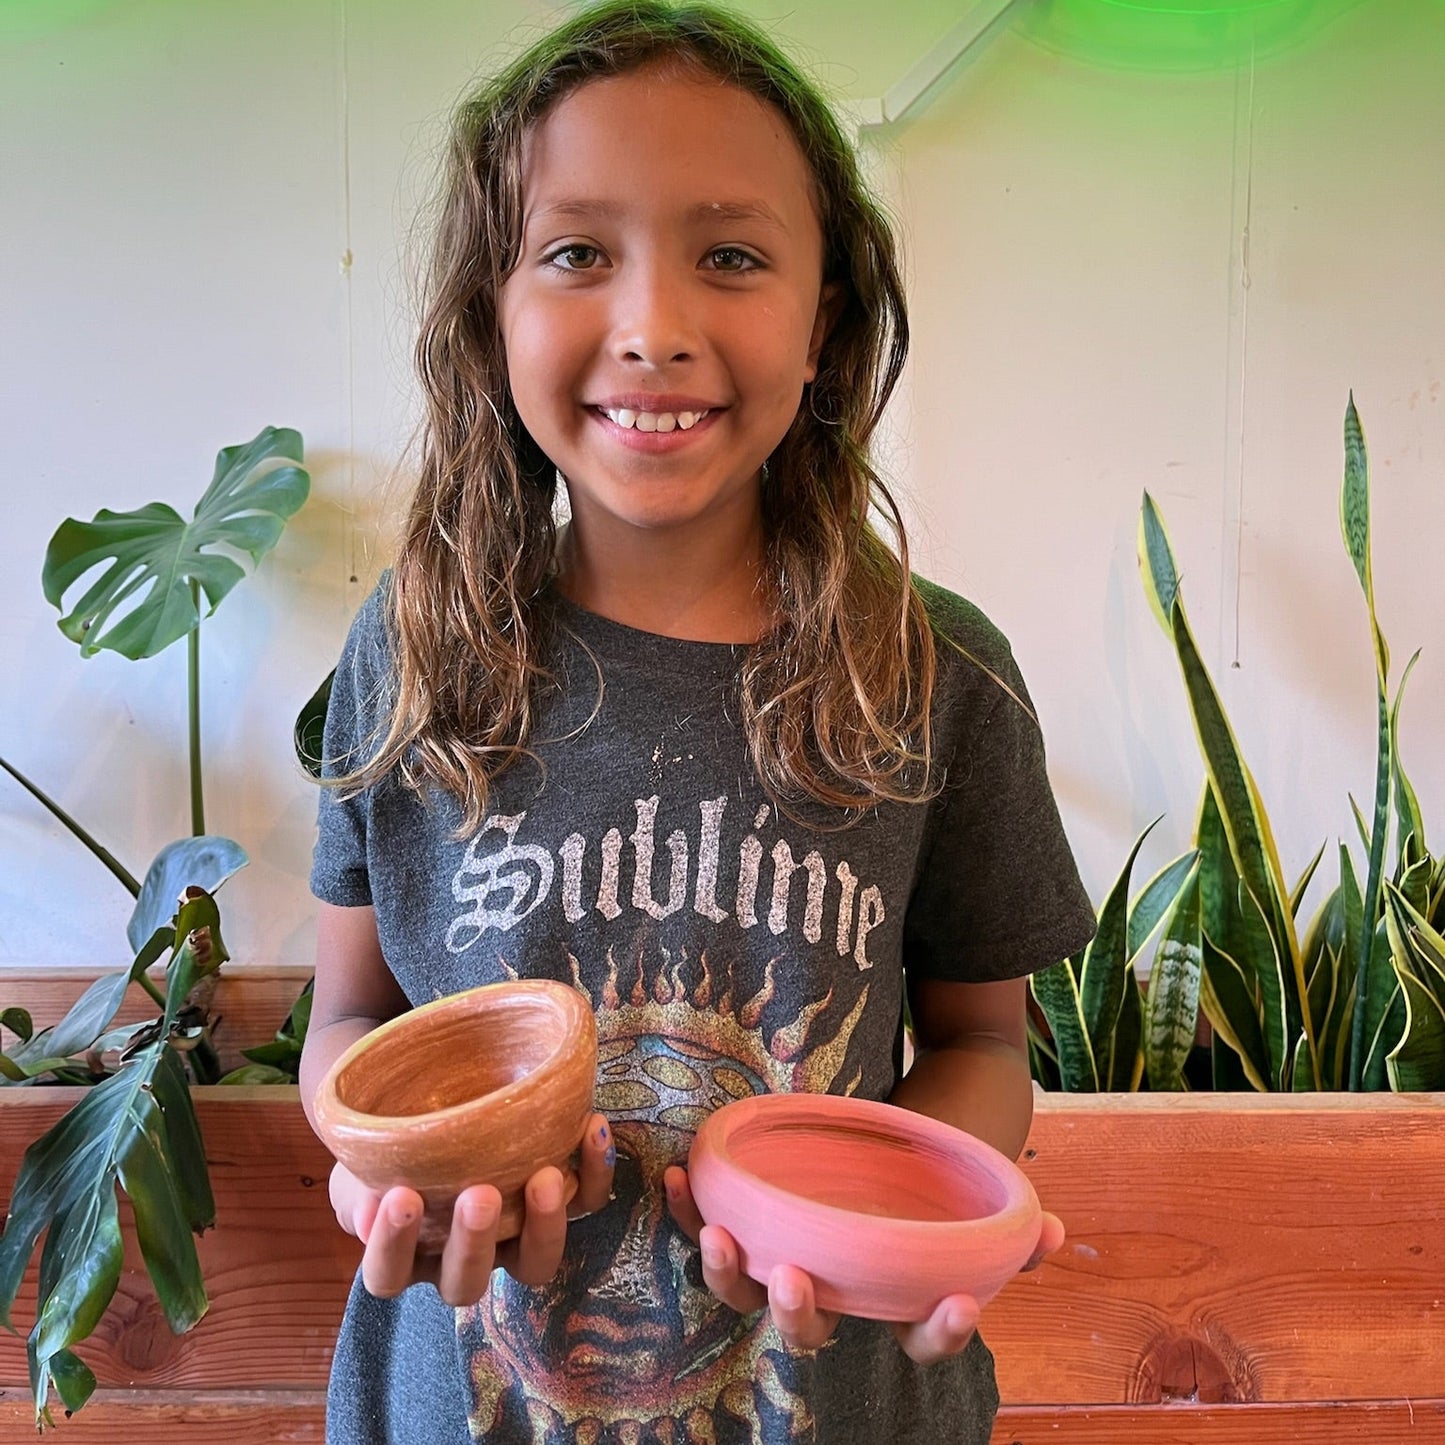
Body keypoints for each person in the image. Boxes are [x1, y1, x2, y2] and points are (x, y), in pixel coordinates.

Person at [299, 2, 1097, 1442]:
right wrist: (375, 1173)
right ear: (492, 307)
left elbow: (983, 1043)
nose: (654, 325)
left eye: (730, 256)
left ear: (824, 320)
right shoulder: (414, 652)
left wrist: (903, 1221)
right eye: (575, 253)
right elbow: (352, 1015)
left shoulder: (936, 674)